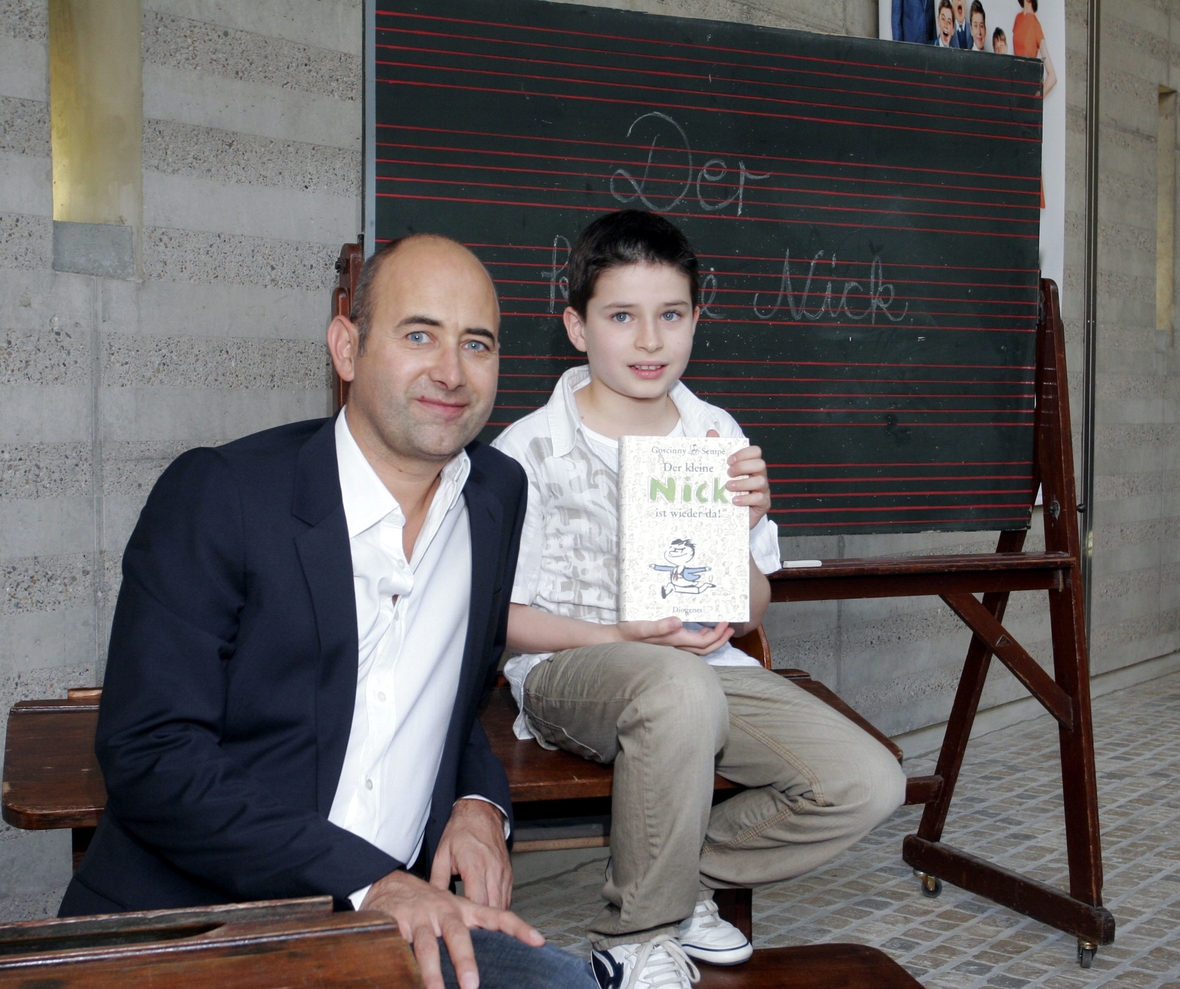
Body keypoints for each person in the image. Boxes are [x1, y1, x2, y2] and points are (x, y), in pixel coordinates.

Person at [58, 235, 598, 989]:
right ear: (347, 348)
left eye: (476, 343)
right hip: (207, 925)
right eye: (419, 335)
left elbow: (456, 695)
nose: (450, 371)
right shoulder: (224, 496)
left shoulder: (496, 494)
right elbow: (151, 755)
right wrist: (371, 879)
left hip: (394, 933)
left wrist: (477, 805)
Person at [492, 211, 907, 989]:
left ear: (695, 320)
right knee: (675, 687)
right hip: (568, 670)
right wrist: (620, 632)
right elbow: (503, 620)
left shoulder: (714, 433)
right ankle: (634, 932)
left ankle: (674, 885)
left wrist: (744, 522)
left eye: (671, 315)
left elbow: (749, 608)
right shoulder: (529, 449)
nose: (650, 340)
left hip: (707, 669)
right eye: (623, 316)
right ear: (577, 328)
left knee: (867, 780)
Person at [1013, 0, 1056, 96]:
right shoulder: (1018, 18)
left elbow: (1052, 77)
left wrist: (1035, 100)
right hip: (1015, 87)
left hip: (1028, 87)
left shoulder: (1035, 25)